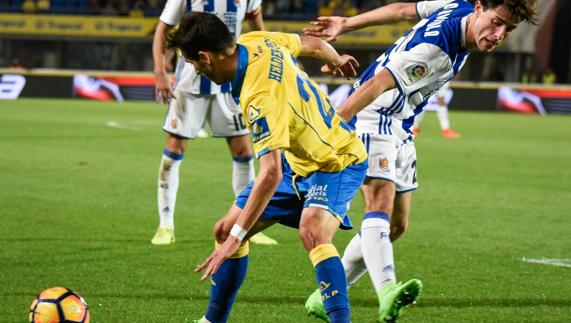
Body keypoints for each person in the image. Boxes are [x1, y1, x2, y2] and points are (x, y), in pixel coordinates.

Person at [303, 0, 538, 321]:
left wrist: (347, 24)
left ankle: (325, 294)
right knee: (379, 203)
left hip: (401, 123)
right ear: (480, 7)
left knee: (397, 224)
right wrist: (331, 128)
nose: (498, 34)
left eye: (508, 29)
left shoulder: (457, 6)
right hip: (376, 116)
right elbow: (375, 84)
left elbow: (402, 9)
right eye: (496, 22)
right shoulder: (435, 53)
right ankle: (387, 291)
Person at [167, 12, 368, 323]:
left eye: (193, 64)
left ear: (205, 57)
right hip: (297, 160)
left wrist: (238, 237)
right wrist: (337, 58)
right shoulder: (253, 40)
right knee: (223, 230)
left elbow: (269, 173)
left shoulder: (258, 97)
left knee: (312, 231)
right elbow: (312, 44)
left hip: (336, 159)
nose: (196, 70)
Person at [151, 0, 277, 246]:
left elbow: (257, 27)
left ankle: (248, 224)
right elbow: (162, 29)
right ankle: (165, 225)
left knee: (243, 150)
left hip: (231, 81)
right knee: (175, 148)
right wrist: (159, 72)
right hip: (189, 83)